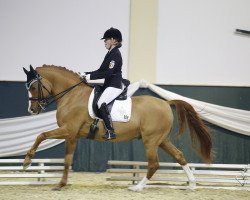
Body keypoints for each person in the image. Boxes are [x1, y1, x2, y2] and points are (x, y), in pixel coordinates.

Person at [80, 27, 129, 140]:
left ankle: (111, 131)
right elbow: (100, 71)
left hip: (115, 85)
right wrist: (84, 73)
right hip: (109, 84)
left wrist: (90, 77)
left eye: (106, 39)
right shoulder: (109, 53)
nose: (104, 42)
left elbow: (108, 72)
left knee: (101, 102)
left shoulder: (115, 54)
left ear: (113, 40)